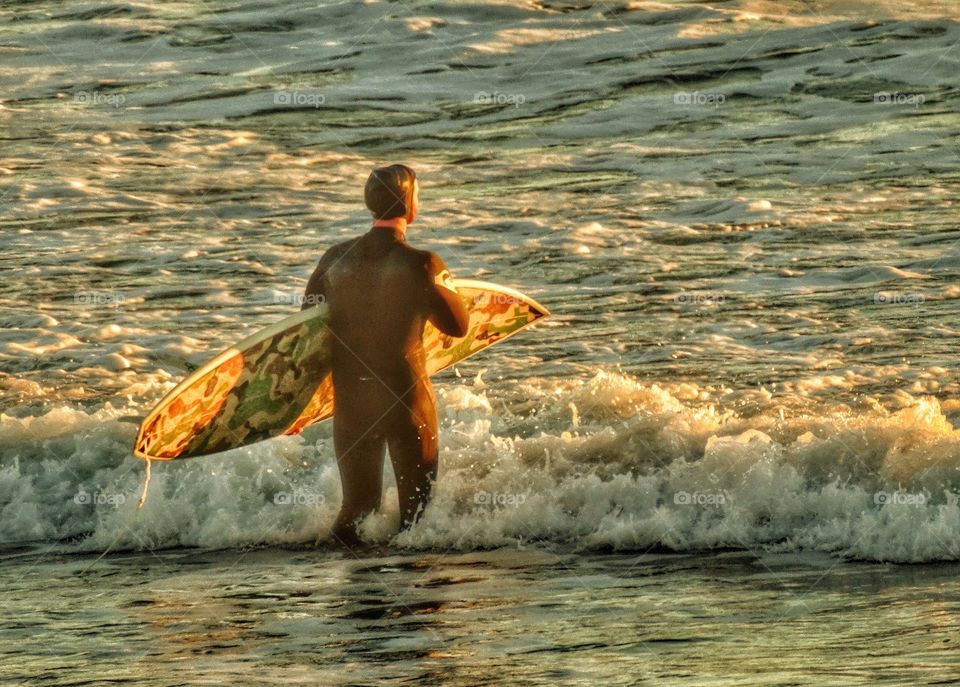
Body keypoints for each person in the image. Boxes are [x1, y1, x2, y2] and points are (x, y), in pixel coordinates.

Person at [302, 164, 470, 545]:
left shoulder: (333, 261)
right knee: (416, 518)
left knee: (356, 512)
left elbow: (307, 330)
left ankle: (357, 597)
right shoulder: (422, 264)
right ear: (409, 202)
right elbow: (459, 326)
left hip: (353, 405)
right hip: (405, 401)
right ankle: (417, 598)